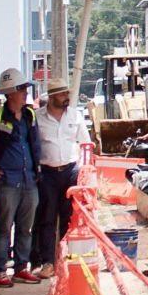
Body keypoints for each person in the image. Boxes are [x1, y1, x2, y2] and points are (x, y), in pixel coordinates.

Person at [0, 68, 41, 286]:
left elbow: (34, 144)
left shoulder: (29, 115)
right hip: (7, 181)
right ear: (9, 93)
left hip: (28, 179)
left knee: (25, 227)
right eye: (21, 89)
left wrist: (37, 171)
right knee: (3, 226)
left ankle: (21, 267)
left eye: (25, 88)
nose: (25, 93)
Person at [33, 78, 91, 279]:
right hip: (47, 173)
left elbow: (85, 144)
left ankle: (67, 258)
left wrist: (85, 171)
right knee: (47, 218)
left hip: (70, 171)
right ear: (51, 97)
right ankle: (47, 262)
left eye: (67, 93)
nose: (66, 97)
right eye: (62, 94)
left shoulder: (75, 115)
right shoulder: (37, 118)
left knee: (69, 217)